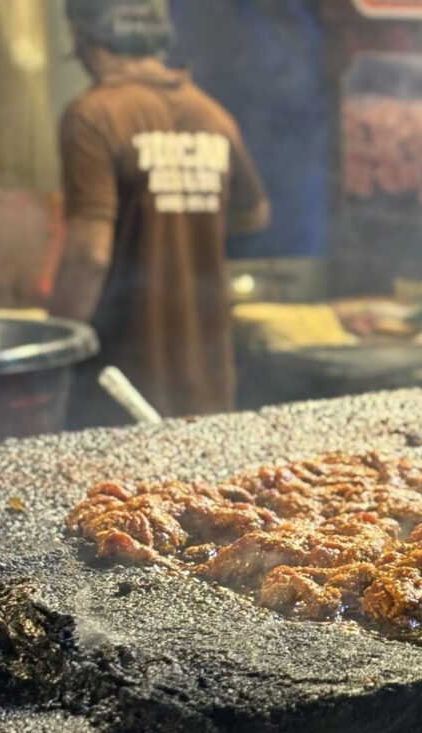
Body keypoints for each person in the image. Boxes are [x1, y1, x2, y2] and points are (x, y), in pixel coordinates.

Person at [50, 0, 270, 425]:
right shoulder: (213, 116)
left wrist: (54, 345)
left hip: (122, 383)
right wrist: (187, 210)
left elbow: (88, 257)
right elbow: (254, 215)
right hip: (207, 380)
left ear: (84, 38)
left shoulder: (93, 115)